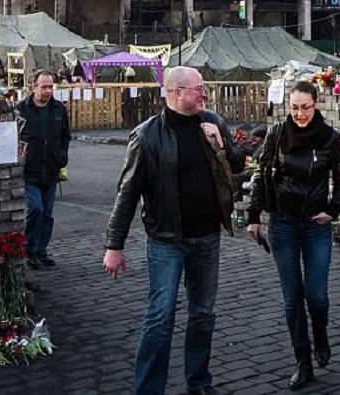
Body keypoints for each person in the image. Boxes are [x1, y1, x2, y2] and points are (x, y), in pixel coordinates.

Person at [102, 65, 245, 395]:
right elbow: (128, 191)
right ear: (176, 93)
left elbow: (238, 164)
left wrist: (220, 143)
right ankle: (149, 388)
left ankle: (199, 381)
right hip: (166, 240)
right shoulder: (147, 134)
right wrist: (114, 244)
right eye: (199, 89)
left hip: (207, 236)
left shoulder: (211, 121)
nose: (205, 94)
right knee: (160, 315)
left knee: (203, 314)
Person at [247, 80, 340, 390]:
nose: (300, 113)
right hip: (284, 224)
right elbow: (262, 173)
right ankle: (302, 361)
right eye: (294, 108)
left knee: (317, 296)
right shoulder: (278, 134)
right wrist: (254, 216)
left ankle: (320, 331)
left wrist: (332, 210)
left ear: (316, 104)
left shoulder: (330, 139)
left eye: (305, 107)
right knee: (293, 297)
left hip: (316, 225)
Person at [18, 69, 71, 268]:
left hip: (51, 169)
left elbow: (65, 136)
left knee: (47, 213)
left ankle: (41, 250)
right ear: (34, 87)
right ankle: (29, 249)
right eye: (44, 87)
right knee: (35, 209)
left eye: (51, 86)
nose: (48, 91)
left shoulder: (58, 110)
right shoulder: (23, 109)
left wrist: (62, 156)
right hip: (30, 171)